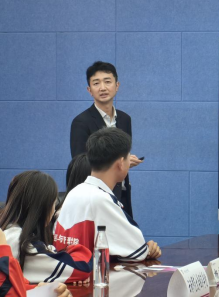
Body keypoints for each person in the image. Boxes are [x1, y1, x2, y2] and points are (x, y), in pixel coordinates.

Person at [56, 128, 161, 262]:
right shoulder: (101, 199)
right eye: (128, 157)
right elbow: (137, 251)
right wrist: (147, 249)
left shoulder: (75, 192)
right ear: (121, 163)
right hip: (92, 273)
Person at [70, 61, 143, 218]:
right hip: (95, 199)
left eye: (107, 81)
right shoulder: (81, 122)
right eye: (96, 83)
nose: (102, 88)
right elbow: (79, 165)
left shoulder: (125, 119)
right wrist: (117, 162)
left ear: (117, 86)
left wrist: (126, 162)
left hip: (122, 194)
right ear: (89, 90)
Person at [0, 171, 92, 286]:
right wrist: (70, 249)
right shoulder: (24, 245)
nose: (54, 209)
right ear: (42, 207)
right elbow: (81, 267)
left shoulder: (8, 232)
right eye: (53, 203)